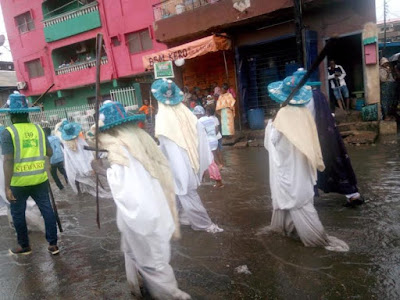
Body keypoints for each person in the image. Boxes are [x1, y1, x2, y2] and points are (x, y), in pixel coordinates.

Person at [90, 101, 190, 299]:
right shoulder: (141, 137)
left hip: (140, 208)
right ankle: (137, 285)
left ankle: (173, 295)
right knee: (134, 250)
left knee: (152, 260)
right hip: (155, 200)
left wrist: (100, 169)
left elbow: (123, 183)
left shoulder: (118, 147)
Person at [265, 69, 349, 251]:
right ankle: (287, 229)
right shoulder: (303, 113)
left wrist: (271, 126)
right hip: (301, 166)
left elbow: (272, 142)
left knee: (295, 200)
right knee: (297, 197)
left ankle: (316, 239)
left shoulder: (282, 117)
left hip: (288, 168)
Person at [152, 78, 223, 233]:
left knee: (184, 190)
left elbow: (167, 146)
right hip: (190, 157)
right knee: (175, 191)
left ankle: (204, 224)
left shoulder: (162, 118)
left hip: (177, 161)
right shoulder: (185, 113)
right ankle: (180, 218)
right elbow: (199, 134)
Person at [0, 92, 59, 255]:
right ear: (27, 113)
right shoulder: (39, 129)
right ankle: (53, 244)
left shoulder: (8, 132)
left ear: (10, 114)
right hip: (40, 179)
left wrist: (7, 187)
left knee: (17, 213)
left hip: (18, 183)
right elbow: (49, 152)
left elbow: (8, 161)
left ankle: (24, 246)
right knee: (47, 210)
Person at [305, 82, 363, 207]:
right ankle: (352, 194)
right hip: (327, 136)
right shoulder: (319, 95)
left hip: (310, 137)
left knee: (307, 168)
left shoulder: (302, 99)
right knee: (336, 163)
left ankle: (306, 201)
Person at [56, 120, 110, 198]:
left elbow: (67, 157)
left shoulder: (65, 143)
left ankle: (79, 193)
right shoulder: (80, 140)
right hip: (84, 164)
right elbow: (87, 151)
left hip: (74, 165)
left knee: (76, 178)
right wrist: (92, 159)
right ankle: (97, 189)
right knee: (93, 177)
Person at [193, 105, 224, 188]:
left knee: (210, 162)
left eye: (196, 115)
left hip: (207, 143)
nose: (195, 116)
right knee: (203, 160)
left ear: (198, 114)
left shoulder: (199, 122)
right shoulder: (210, 119)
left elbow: (199, 134)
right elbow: (214, 130)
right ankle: (201, 179)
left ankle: (218, 181)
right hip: (214, 140)